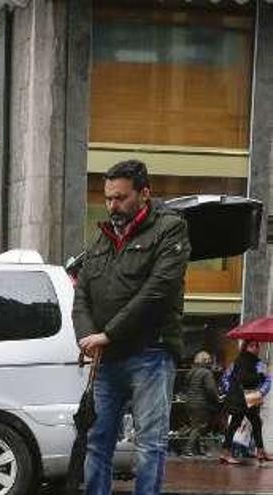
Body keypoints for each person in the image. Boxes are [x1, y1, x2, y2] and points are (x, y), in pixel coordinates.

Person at [73, 159, 191, 495]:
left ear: (144, 194)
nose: (113, 206)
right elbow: (81, 294)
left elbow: (157, 292)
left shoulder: (170, 229)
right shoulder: (101, 241)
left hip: (151, 354)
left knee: (149, 446)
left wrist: (107, 334)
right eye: (108, 198)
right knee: (97, 442)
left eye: (121, 198)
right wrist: (87, 339)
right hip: (106, 358)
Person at [219, 340, 271, 464]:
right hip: (244, 397)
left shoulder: (240, 361)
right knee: (241, 424)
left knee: (254, 422)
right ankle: (226, 453)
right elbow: (245, 379)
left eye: (257, 346)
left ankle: (260, 451)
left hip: (244, 396)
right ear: (245, 347)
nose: (256, 348)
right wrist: (260, 377)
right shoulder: (249, 361)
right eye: (252, 345)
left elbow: (230, 378)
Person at [182, 351, 220, 457]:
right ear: (205, 361)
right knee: (199, 427)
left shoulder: (191, 372)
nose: (210, 362)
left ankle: (198, 449)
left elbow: (185, 386)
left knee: (195, 426)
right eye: (208, 360)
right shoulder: (206, 373)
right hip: (201, 403)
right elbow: (211, 389)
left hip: (189, 402)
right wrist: (217, 398)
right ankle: (188, 449)